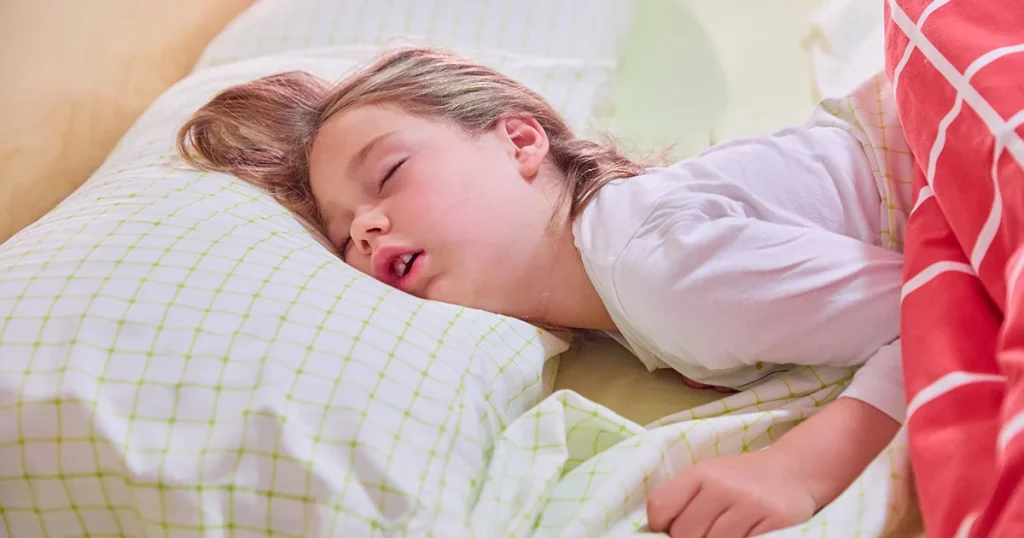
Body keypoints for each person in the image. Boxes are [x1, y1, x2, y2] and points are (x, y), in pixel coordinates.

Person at [177, 47, 908, 538]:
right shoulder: (624, 287)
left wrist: (802, 467)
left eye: (390, 173)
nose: (365, 228)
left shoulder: (655, 270)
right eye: (341, 237)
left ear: (521, 143)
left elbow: (938, 307)